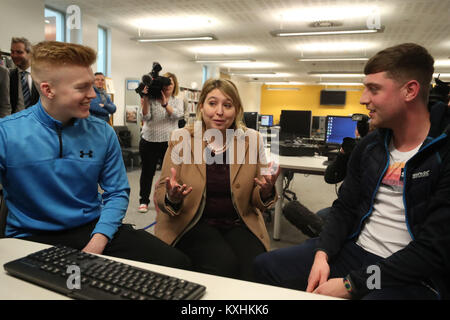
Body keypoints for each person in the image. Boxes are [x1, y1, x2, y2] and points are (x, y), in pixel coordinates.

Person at [254, 43, 450, 300]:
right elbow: (345, 207)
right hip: (356, 250)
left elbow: (432, 251)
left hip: (414, 273)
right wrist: (322, 254)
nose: (362, 99)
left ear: (410, 91)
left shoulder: (443, 152)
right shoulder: (370, 145)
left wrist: (352, 284)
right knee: (265, 267)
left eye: (374, 89)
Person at [0, 41, 190, 269]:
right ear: (48, 89)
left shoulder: (102, 133)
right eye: (82, 88)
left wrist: (97, 242)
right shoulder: (7, 133)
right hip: (29, 237)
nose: (93, 94)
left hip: (92, 229)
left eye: (92, 85)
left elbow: (117, 192)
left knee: (176, 263)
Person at [153, 78, 279, 281]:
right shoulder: (181, 137)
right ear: (201, 106)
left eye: (227, 105)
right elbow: (161, 192)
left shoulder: (252, 140)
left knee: (257, 266)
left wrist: (265, 191)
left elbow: (257, 199)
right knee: (223, 264)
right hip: (193, 221)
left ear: (236, 109)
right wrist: (172, 196)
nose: (219, 111)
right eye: (212, 103)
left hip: (239, 221)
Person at [138, 72, 184, 213]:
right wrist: (145, 98)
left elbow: (178, 115)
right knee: (147, 172)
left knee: (171, 173)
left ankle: (169, 198)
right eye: (166, 83)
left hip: (170, 142)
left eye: (171, 82)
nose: (169, 85)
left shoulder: (177, 99)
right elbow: (145, 116)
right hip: (149, 140)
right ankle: (143, 201)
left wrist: (165, 104)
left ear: (175, 84)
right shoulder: (152, 98)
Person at [9, 37, 39, 113]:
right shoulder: (9, 76)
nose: (14, 55)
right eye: (12, 52)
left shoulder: (40, 75)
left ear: (30, 54)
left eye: (19, 52)